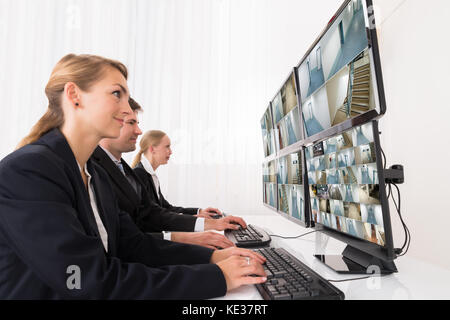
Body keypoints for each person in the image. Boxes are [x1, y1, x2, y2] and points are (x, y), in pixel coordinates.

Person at [0, 53, 267, 299]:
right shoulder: (30, 171)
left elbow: (134, 245)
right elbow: (85, 281)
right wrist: (216, 278)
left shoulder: (95, 174)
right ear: (75, 95)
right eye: (117, 94)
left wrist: (211, 259)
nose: (128, 110)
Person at [92, 97, 236, 249]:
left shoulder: (125, 169)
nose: (139, 131)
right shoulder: (100, 170)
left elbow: (155, 212)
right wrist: (187, 236)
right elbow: (132, 234)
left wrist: (204, 221)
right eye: (130, 122)